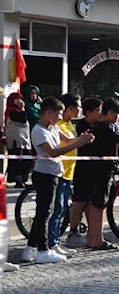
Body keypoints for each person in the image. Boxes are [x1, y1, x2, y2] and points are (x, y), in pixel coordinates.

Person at [21, 97, 93, 264]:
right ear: (48, 112)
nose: (60, 117)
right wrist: (78, 144)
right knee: (45, 213)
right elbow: (52, 152)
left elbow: (67, 141)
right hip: (44, 174)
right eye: (59, 113)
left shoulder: (52, 128)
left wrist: (81, 139)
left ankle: (30, 248)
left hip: (54, 174)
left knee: (44, 212)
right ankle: (43, 250)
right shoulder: (39, 130)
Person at [86, 98, 119, 250]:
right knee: (98, 206)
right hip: (101, 171)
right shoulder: (104, 128)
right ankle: (96, 239)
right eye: (118, 114)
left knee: (98, 205)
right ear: (110, 112)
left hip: (99, 169)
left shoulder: (102, 127)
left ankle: (95, 238)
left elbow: (117, 139)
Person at [63, 97, 102, 248]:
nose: (100, 113)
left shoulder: (97, 125)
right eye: (98, 110)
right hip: (80, 168)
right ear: (89, 112)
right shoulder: (81, 126)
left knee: (89, 201)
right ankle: (72, 232)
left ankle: (92, 230)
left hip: (90, 168)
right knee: (79, 201)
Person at [47, 94, 82, 258]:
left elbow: (71, 141)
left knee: (61, 210)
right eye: (78, 106)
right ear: (71, 108)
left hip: (70, 172)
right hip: (60, 171)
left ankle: (56, 241)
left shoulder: (68, 123)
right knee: (56, 210)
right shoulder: (58, 124)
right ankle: (51, 243)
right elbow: (65, 144)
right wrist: (80, 141)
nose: (80, 109)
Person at [5, 92, 32, 188]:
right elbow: (23, 119)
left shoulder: (18, 110)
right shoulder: (12, 111)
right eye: (17, 99)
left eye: (21, 99)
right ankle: (17, 179)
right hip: (16, 141)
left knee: (27, 159)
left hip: (24, 139)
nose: (20, 101)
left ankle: (23, 178)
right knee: (17, 161)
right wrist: (23, 109)